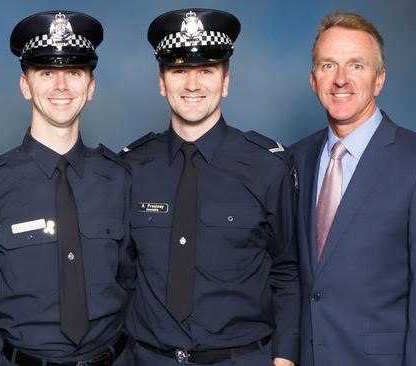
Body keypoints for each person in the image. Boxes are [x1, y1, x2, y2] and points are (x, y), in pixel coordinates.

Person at [121, 9, 300, 366]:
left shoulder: (267, 167)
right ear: (161, 81)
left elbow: (288, 270)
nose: (192, 84)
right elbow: (118, 274)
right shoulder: (129, 168)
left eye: (206, 70)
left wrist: (284, 358)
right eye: (179, 71)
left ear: (226, 80)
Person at [291, 11, 416, 366]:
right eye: (328, 66)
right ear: (313, 80)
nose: (340, 79)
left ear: (379, 79)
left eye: (356, 65)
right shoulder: (295, 160)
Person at [0, 11, 133, 366]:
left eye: (74, 72)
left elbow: (136, 282)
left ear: (91, 86)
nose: (61, 86)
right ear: (25, 85)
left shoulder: (120, 179)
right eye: (46, 72)